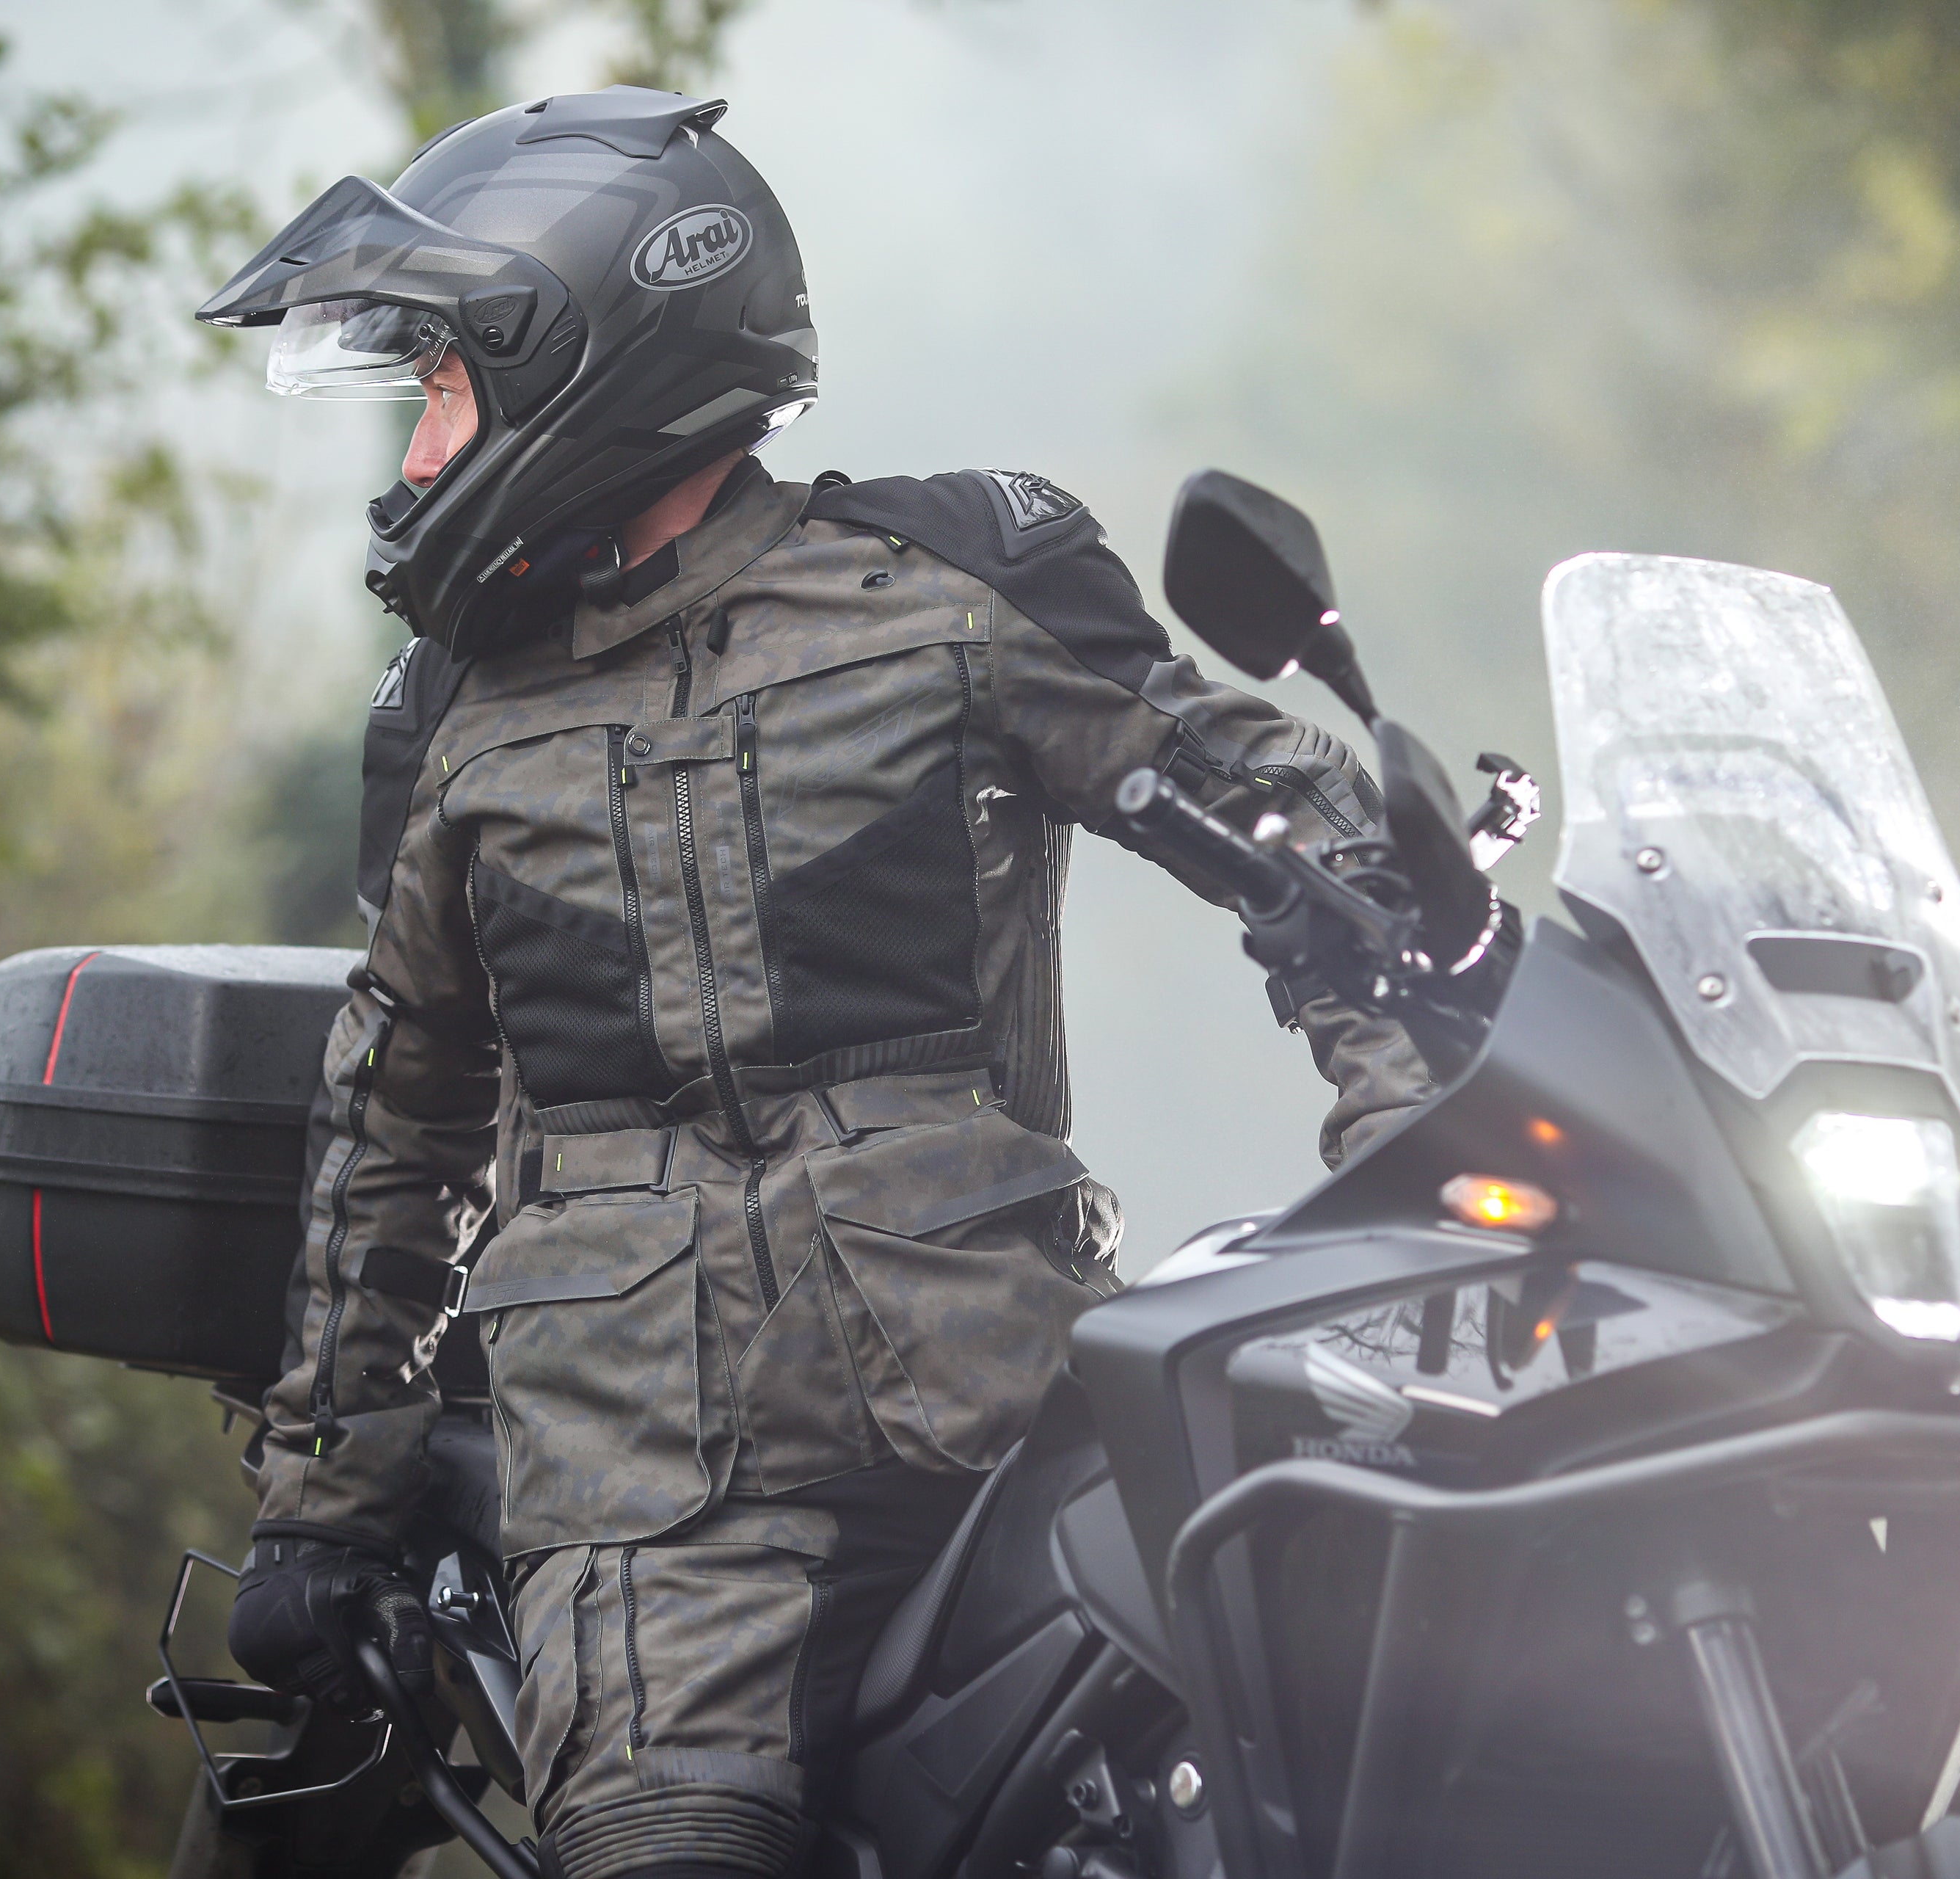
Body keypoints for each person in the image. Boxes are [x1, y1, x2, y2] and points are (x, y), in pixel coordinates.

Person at [199, 84, 1431, 1879]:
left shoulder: (950, 590)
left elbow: (1287, 827)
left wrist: (1409, 1152)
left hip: (1014, 1425)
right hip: (649, 1525)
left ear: (592, 354)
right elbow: (393, 1119)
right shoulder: (458, 724)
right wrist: (322, 1510)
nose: (417, 456)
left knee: (1321, 1780)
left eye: (446, 385)